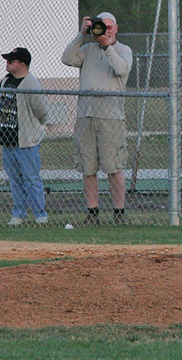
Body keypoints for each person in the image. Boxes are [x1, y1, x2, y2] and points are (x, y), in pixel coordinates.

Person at [61, 12, 133, 225]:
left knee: (113, 167)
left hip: (111, 116)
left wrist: (107, 47)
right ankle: (92, 213)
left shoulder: (123, 50)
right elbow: (66, 59)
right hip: (86, 114)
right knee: (88, 167)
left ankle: (119, 213)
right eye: (102, 27)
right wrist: (81, 35)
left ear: (116, 29)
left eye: (109, 27)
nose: (106, 31)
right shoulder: (87, 49)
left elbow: (121, 69)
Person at [0, 47, 49, 226]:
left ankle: (40, 215)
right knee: (15, 180)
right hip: (8, 138)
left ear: (22, 64)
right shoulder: (5, 81)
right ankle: (19, 214)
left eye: (12, 61)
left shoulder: (30, 82)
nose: (7, 63)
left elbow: (41, 109)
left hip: (26, 140)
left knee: (31, 178)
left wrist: (37, 127)